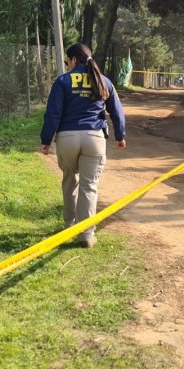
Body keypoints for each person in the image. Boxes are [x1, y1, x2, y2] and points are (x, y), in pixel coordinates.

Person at [40, 43, 126, 248]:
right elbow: (117, 111)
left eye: (68, 61)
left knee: (70, 180)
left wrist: (46, 140)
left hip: (67, 137)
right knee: (89, 186)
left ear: (73, 60)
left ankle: (69, 226)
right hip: (94, 138)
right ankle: (86, 234)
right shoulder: (103, 81)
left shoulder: (62, 81)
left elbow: (53, 114)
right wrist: (120, 136)